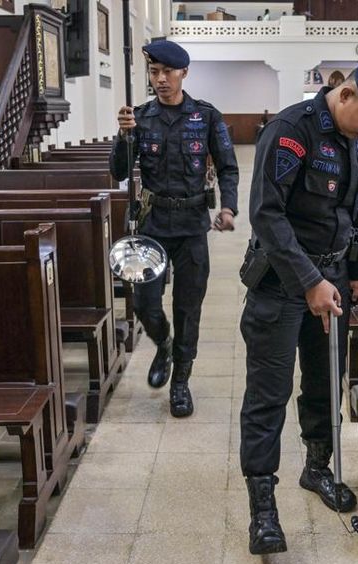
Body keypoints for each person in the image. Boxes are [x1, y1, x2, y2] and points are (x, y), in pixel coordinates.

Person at [237, 52, 358, 554]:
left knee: (323, 382)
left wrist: (353, 274)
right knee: (267, 395)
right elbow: (266, 216)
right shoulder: (292, 131)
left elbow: (355, 209)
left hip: (330, 278)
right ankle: (263, 508)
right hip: (282, 281)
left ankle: (316, 469)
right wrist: (310, 280)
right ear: (346, 94)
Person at [110, 39, 238, 418]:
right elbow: (119, 171)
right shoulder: (140, 117)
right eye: (154, 72)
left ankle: (180, 382)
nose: (160, 79)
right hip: (152, 225)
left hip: (192, 227)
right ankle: (163, 345)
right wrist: (122, 136)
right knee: (146, 304)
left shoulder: (206, 116)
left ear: (184, 73)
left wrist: (228, 206)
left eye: (167, 72)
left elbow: (229, 166)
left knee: (188, 309)